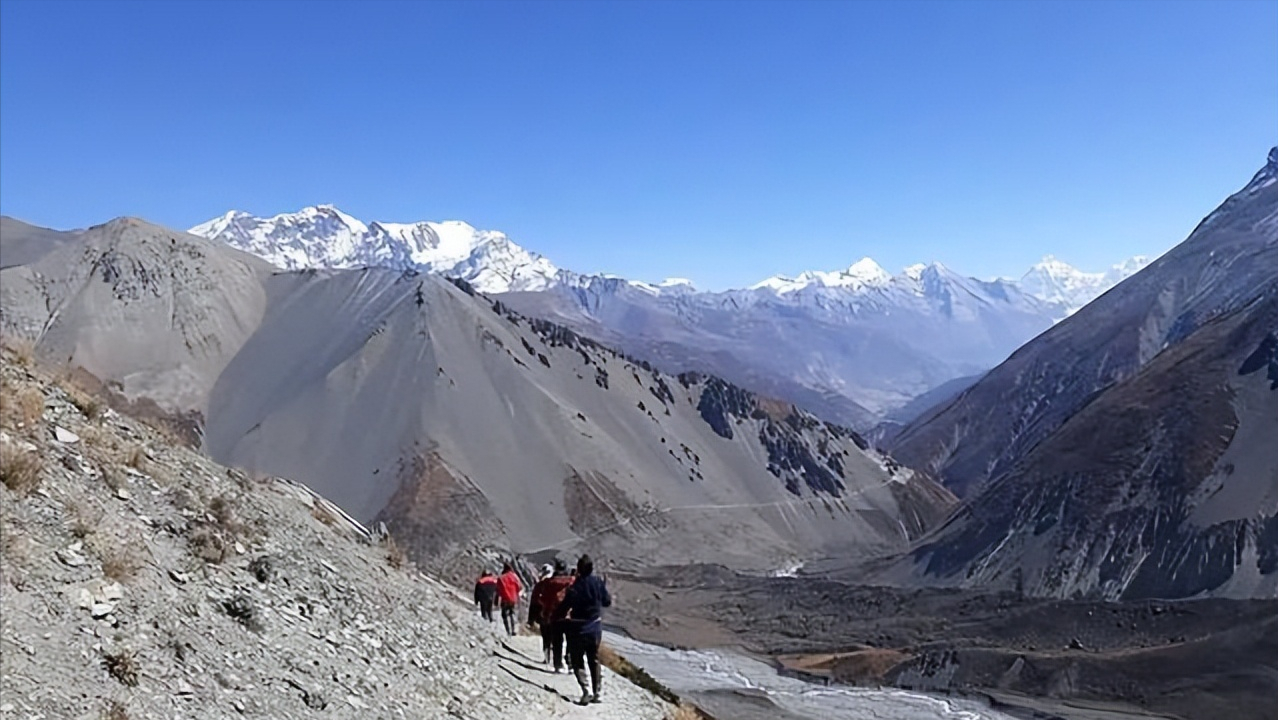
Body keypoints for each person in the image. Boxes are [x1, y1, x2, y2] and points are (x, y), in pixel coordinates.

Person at [554, 554, 611, 705]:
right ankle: (597, 692)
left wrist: (556, 617)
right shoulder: (598, 583)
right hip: (594, 628)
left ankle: (586, 691)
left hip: (577, 629)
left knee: (577, 659)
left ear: (579, 569)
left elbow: (563, 608)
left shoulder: (574, 588)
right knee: (594, 659)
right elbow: (607, 602)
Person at [528, 560, 573, 672]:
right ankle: (571, 663)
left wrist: (534, 616)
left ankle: (557, 664)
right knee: (571, 640)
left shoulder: (547, 583)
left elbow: (539, 599)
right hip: (568, 615)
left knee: (556, 640)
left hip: (552, 615)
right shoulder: (572, 582)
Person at [497, 562, 523, 637]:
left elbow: (498, 590)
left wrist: (497, 600)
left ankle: (508, 630)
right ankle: (513, 629)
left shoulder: (501, 577)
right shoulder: (515, 576)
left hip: (505, 599)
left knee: (504, 615)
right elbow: (520, 587)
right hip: (513, 599)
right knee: (512, 613)